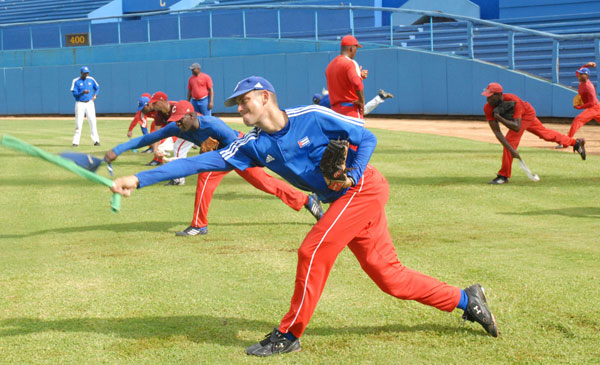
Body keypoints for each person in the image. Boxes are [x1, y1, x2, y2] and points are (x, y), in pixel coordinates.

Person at [111, 76, 499, 356]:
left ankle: (288, 333)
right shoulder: (252, 146)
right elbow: (199, 164)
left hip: (363, 189)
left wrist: (353, 173)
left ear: (265, 97)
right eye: (236, 104)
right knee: (390, 278)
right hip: (344, 201)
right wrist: (138, 179)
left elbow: (366, 138)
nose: (238, 108)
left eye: (244, 101)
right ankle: (466, 299)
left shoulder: (311, 115)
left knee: (311, 251)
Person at [105, 99, 323, 236]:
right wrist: (118, 149)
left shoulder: (213, 124)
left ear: (193, 115)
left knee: (263, 182)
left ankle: (199, 225)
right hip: (219, 156)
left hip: (239, 150)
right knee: (260, 183)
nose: (178, 124)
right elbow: (147, 139)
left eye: (181, 120)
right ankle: (306, 200)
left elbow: (234, 147)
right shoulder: (176, 127)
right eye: (175, 120)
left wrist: (215, 148)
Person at [482, 82, 586, 185]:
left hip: (527, 113)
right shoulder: (488, 107)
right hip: (518, 119)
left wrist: (500, 118)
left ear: (499, 95)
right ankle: (575, 142)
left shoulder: (513, 100)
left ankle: (503, 176)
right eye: (487, 96)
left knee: (510, 140)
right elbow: (497, 131)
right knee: (545, 134)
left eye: (490, 96)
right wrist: (511, 149)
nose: (487, 99)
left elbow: (517, 127)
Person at [325, 35, 368, 118]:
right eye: (356, 48)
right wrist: (362, 101)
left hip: (335, 112)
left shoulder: (330, 66)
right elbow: (356, 83)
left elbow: (341, 83)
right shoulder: (350, 63)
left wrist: (359, 76)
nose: (356, 51)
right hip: (350, 110)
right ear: (351, 48)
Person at [565, 62, 600, 139]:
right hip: (595, 107)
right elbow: (578, 71)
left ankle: (567, 140)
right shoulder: (581, 79)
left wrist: (580, 107)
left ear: (587, 76)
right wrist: (587, 65)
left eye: (582, 74)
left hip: (594, 108)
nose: (579, 75)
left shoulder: (589, 88)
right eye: (580, 74)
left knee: (577, 119)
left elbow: (592, 103)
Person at [70, 66, 100, 147]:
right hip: (80, 103)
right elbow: (74, 94)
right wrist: (82, 93)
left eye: (87, 72)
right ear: (81, 73)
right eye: (85, 73)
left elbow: (97, 87)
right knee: (78, 123)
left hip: (90, 103)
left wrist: (95, 95)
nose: (86, 74)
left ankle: (96, 140)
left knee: (93, 122)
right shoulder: (76, 81)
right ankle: (75, 142)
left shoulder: (91, 79)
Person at [313, 88, 394, 115]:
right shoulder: (326, 96)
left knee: (363, 111)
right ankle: (380, 97)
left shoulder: (320, 104)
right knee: (364, 110)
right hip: (348, 102)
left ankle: (380, 97)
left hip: (345, 108)